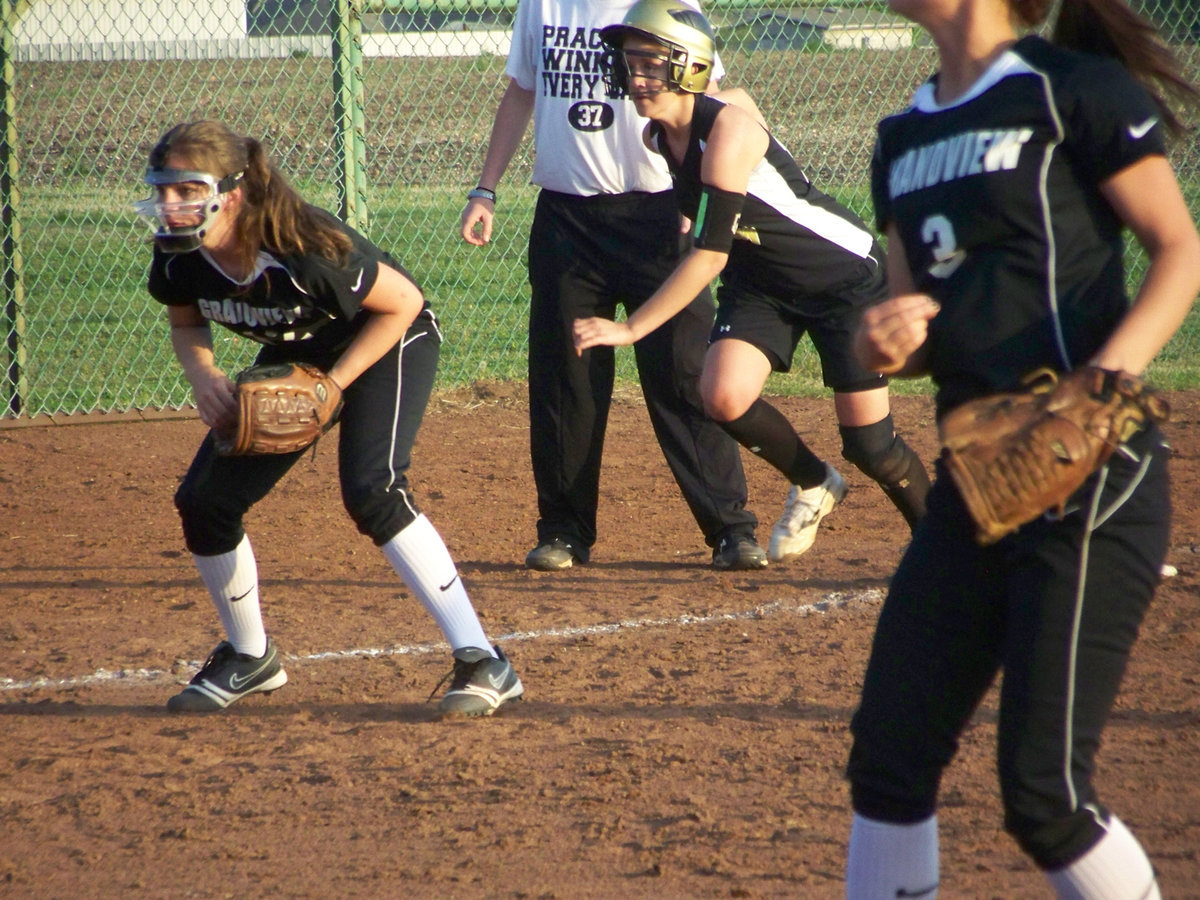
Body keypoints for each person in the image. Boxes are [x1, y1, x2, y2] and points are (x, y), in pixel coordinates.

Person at [843, 0, 1200, 892]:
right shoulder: (900, 138)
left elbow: (1177, 249)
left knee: (1043, 794)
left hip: (1091, 476)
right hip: (979, 481)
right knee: (888, 763)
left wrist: (1101, 388)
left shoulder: (1069, 91)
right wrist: (891, 342)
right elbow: (915, 326)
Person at [134, 120, 523, 717]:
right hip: (301, 352)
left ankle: (482, 660)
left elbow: (404, 304)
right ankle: (250, 657)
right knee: (206, 500)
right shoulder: (179, 253)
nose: (170, 204)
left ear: (231, 193)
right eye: (163, 189)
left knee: (373, 490)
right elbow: (187, 322)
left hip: (386, 338)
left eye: (186, 190)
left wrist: (334, 388)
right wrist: (206, 377)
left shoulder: (301, 246)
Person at [574, 0, 931, 562]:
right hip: (762, 281)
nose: (635, 75)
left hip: (841, 277)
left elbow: (708, 256)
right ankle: (815, 482)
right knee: (722, 394)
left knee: (870, 445)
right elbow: (711, 195)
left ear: (689, 67)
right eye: (629, 61)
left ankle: (943, 550)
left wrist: (631, 328)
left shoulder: (727, 132)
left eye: (650, 62)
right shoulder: (658, 136)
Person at [459, 0, 768, 572]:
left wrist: (693, 192)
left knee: (681, 371)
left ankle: (730, 528)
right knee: (564, 378)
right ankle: (563, 530)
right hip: (567, 219)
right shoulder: (541, 3)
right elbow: (523, 90)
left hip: (658, 214)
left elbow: (711, 96)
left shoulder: (661, 3)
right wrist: (486, 188)